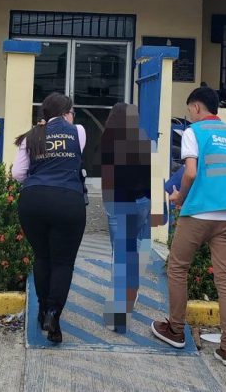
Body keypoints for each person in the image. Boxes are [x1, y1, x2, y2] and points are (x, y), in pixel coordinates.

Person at [151, 87, 226, 367]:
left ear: (197, 107)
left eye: (189, 111)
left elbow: (190, 172)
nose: (189, 116)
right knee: (225, 279)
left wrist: (179, 198)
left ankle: (175, 330)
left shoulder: (194, 132)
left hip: (199, 212)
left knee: (178, 267)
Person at [12, 92, 87, 344]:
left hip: (33, 200)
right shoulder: (78, 132)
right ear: (66, 113)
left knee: (42, 257)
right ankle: (53, 315)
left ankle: (43, 309)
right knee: (63, 263)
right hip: (68, 200)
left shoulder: (31, 136)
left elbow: (18, 174)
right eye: (72, 112)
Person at [100, 103, 154, 333]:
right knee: (132, 249)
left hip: (118, 203)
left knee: (121, 254)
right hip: (141, 201)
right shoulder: (142, 140)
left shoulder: (107, 141)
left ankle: (119, 313)